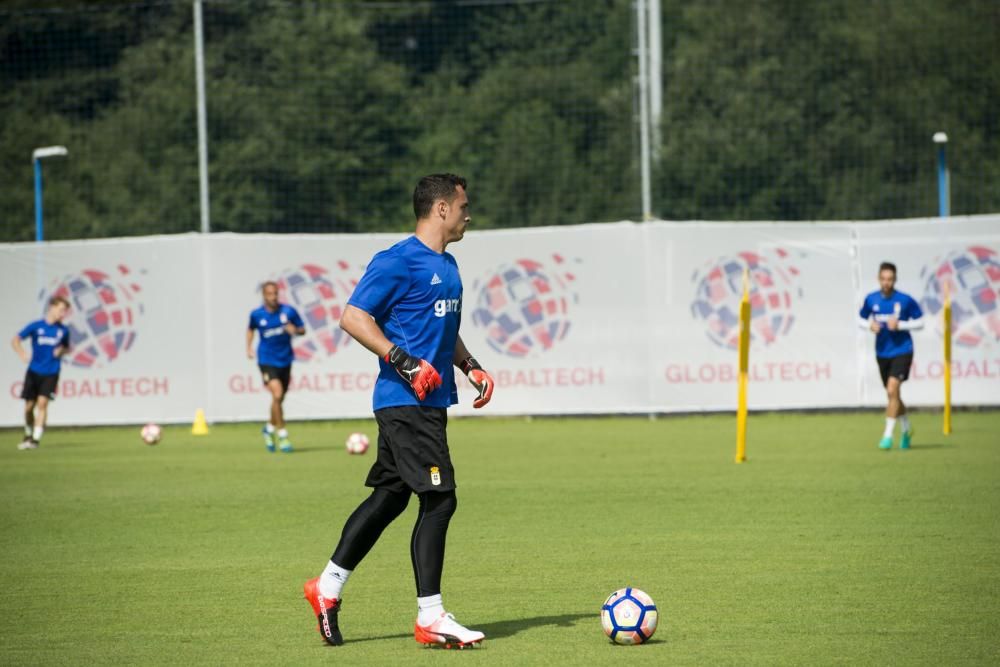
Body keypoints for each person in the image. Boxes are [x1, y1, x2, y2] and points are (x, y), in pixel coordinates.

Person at [302, 174, 495, 649]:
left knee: (391, 498)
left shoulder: (448, 266)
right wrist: (402, 361)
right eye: (464, 205)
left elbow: (444, 332)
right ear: (441, 210)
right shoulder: (397, 260)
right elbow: (352, 317)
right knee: (440, 499)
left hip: (429, 403)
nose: (470, 213)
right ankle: (431, 616)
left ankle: (326, 588)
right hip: (406, 404)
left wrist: (471, 366)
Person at [858, 262, 924, 450]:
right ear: (879, 279)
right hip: (882, 352)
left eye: (890, 279)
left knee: (891, 390)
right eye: (883, 279)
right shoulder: (871, 299)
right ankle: (906, 428)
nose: (886, 282)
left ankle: (887, 436)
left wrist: (901, 325)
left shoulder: (904, 300)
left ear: (895, 279)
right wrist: (869, 326)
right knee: (893, 394)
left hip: (903, 350)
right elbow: (860, 318)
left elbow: (920, 321)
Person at [246, 281, 305, 452]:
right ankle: (282, 435)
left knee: (279, 399)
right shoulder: (257, 314)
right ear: (264, 295)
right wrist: (248, 347)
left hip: (285, 360)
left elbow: (302, 330)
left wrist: (294, 330)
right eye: (269, 294)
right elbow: (250, 329)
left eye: (275, 293)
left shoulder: (288, 312)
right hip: (266, 360)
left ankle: (269, 428)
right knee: (277, 394)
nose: (273, 297)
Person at [11, 296, 71, 450]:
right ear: (52, 307)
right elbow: (16, 339)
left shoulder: (63, 330)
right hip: (34, 371)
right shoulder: (37, 326)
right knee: (29, 407)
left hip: (51, 372)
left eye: (65, 311)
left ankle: (35, 440)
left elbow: (68, 347)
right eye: (61, 309)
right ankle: (28, 434)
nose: (63, 314)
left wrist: (62, 350)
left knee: (43, 404)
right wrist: (22, 354)